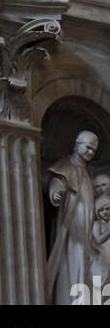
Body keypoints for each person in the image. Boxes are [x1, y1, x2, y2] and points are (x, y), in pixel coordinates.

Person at [45, 130, 99, 305]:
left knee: (85, 263)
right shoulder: (66, 165)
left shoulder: (88, 171)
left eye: (94, 150)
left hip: (87, 229)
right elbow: (55, 181)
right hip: (71, 226)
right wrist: (55, 192)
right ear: (77, 144)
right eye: (88, 147)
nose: (90, 152)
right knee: (71, 260)